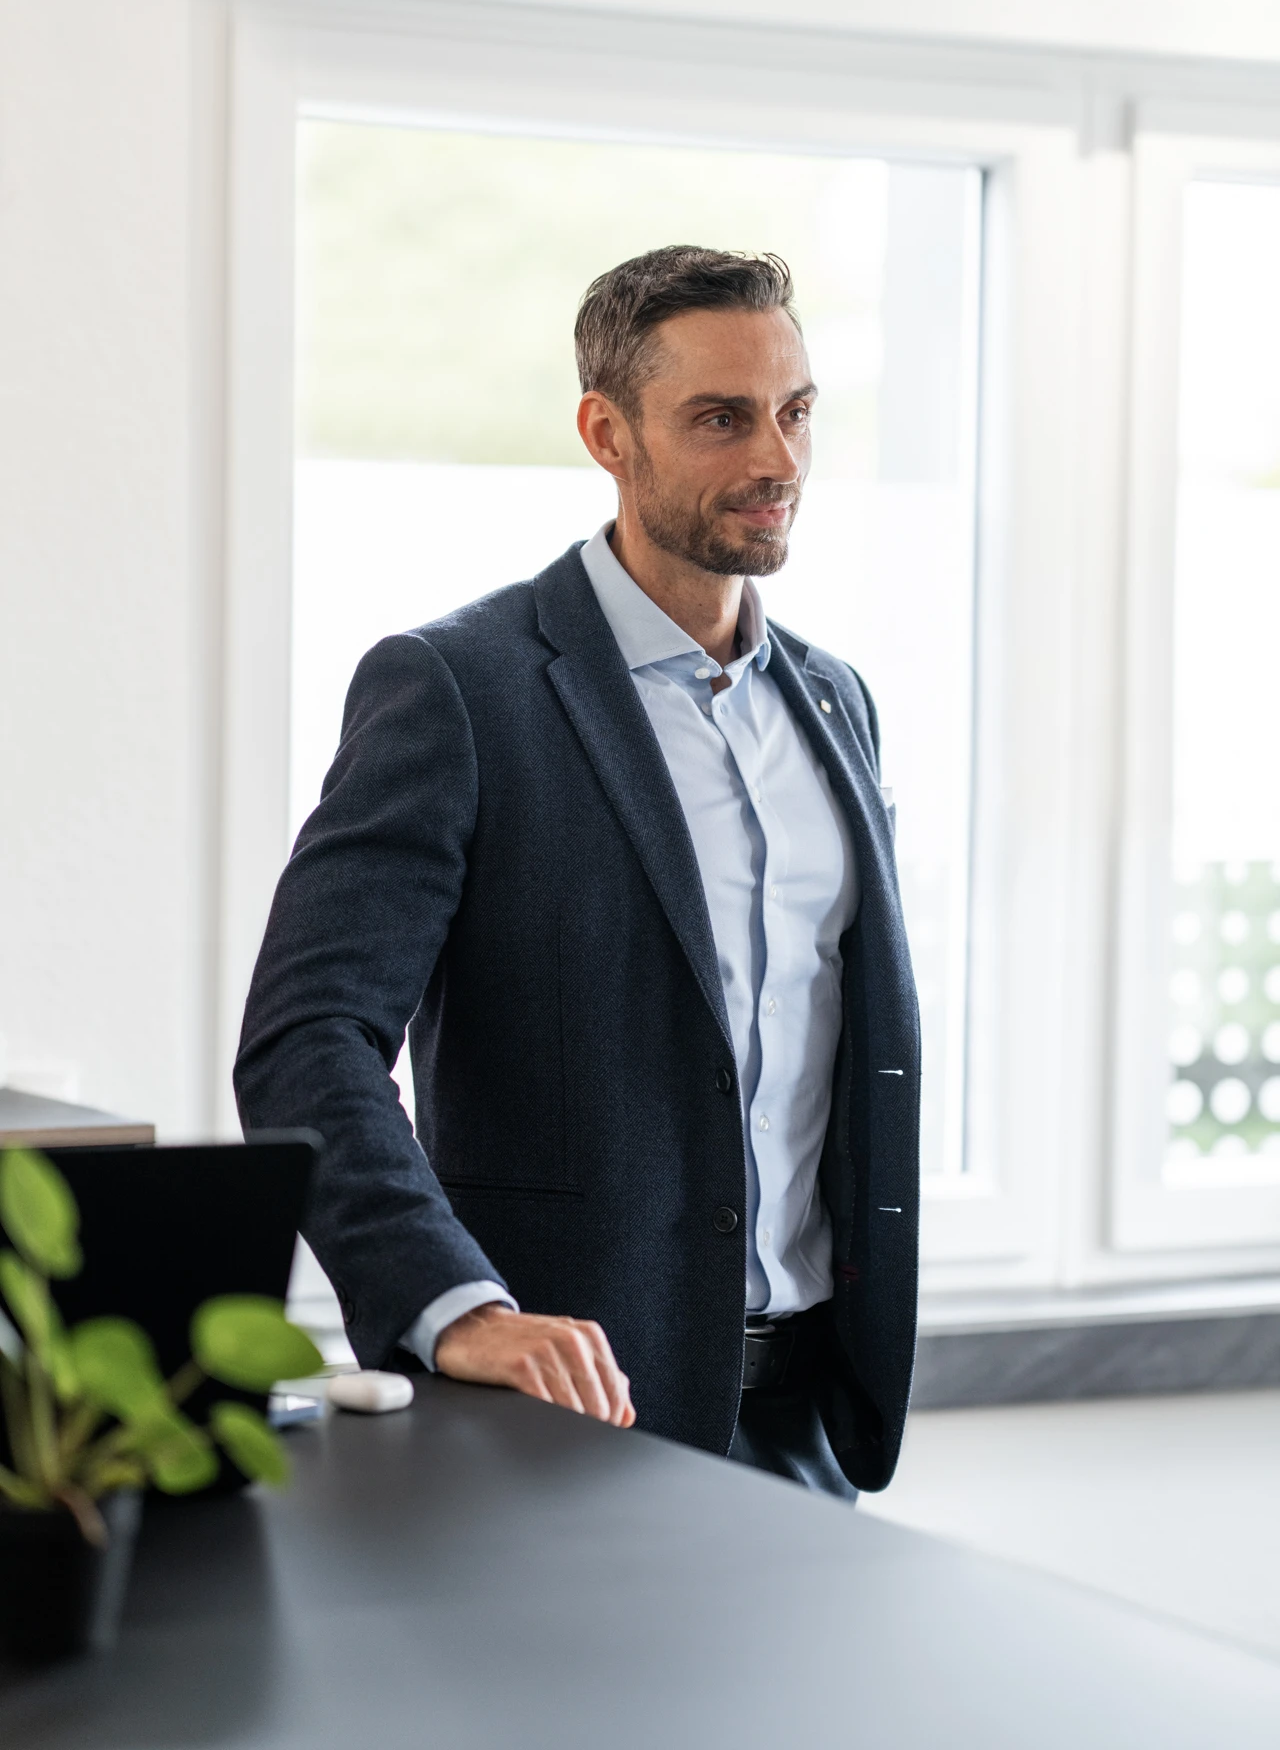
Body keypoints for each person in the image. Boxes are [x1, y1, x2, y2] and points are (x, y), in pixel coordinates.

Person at [235, 245, 920, 1499]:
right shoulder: (458, 690)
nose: (776, 459)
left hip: (808, 1414)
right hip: (565, 1417)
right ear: (608, 433)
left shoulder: (835, 702)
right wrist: (456, 1307)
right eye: (721, 418)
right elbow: (308, 1039)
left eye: (796, 411)